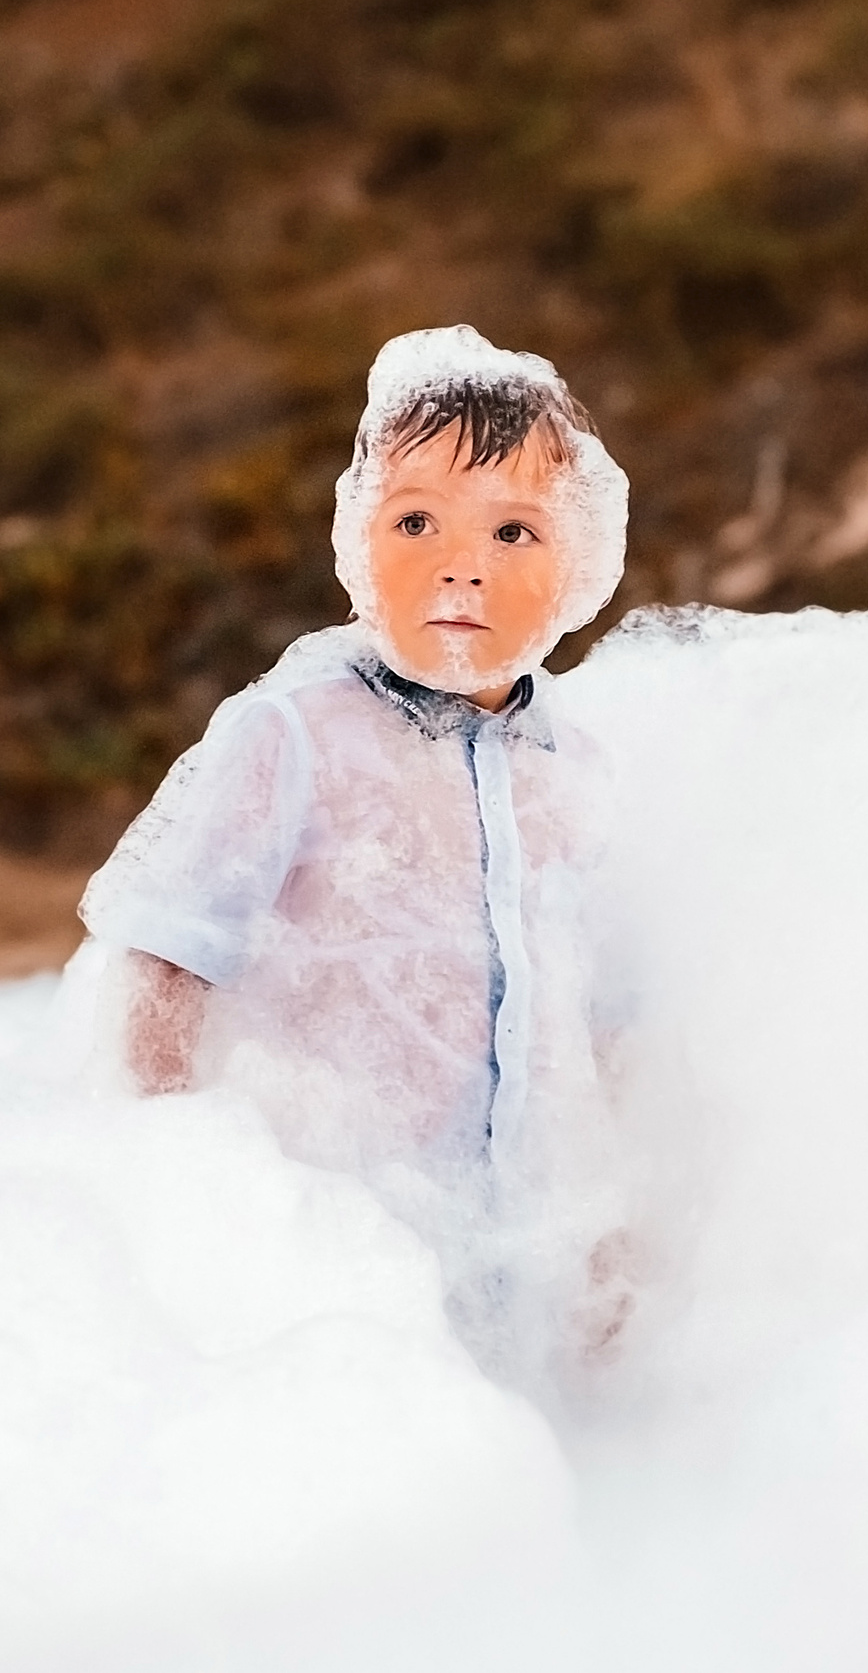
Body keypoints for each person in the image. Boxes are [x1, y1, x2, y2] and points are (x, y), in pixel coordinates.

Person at [79, 325, 633, 1379]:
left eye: (514, 533)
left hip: (521, 1260)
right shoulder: (293, 736)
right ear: (356, 544)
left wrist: (608, 1240)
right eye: (415, 520)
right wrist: (169, 1186)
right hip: (331, 1268)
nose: (459, 565)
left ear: (581, 565)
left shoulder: (577, 777)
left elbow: (593, 1034)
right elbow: (164, 958)